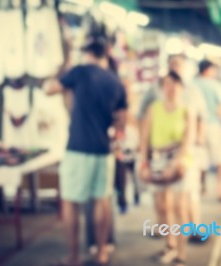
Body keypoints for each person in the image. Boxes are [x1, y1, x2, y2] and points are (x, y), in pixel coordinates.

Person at [43, 41, 127, 266]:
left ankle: (73, 257)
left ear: (88, 54)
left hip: (78, 148)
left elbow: (49, 89)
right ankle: (101, 253)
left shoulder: (78, 73)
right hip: (103, 150)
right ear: (105, 55)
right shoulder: (115, 81)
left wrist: (62, 68)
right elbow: (121, 122)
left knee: (71, 203)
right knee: (102, 200)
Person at [139, 71, 194, 266]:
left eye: (174, 84)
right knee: (162, 207)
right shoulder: (154, 109)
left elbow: (188, 140)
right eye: (167, 84)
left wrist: (176, 163)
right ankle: (169, 244)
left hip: (179, 162)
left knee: (180, 206)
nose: (171, 88)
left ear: (181, 87)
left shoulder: (187, 110)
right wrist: (143, 163)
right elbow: (144, 138)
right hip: (157, 160)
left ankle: (181, 253)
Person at [193, 60, 221, 202]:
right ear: (207, 70)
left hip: (196, 128)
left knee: (200, 158)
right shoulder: (215, 85)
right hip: (213, 125)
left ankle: (202, 186)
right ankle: (219, 188)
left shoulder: (192, 85)